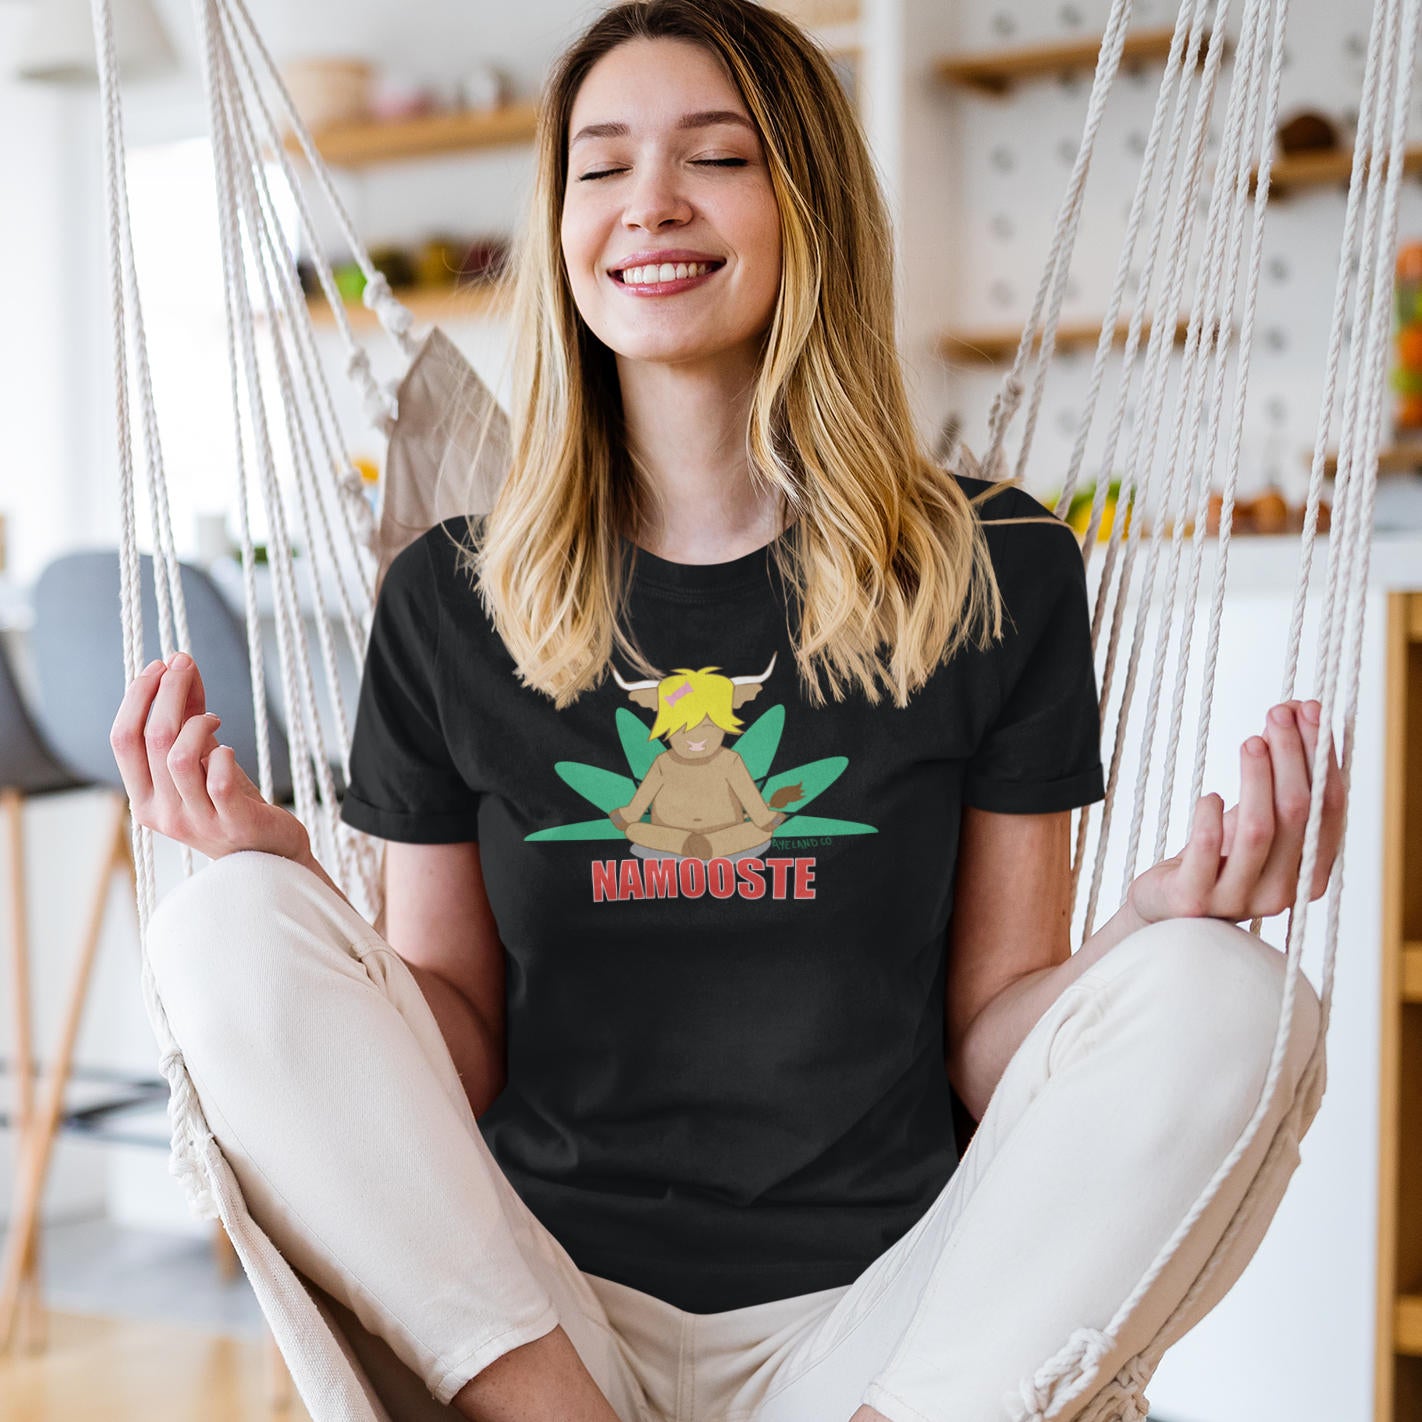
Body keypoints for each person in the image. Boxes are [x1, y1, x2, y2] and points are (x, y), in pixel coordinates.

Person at [109, 2, 1344, 1419]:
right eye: (599, 165)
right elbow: (456, 1038)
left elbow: (990, 1036)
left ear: (805, 202)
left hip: (888, 1322)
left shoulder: (993, 571)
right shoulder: (449, 604)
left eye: (716, 156)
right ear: (558, 220)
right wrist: (290, 898)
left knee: (1230, 994)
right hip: (543, 1317)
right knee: (219, 923)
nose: (649, 204)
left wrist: (1147, 936)